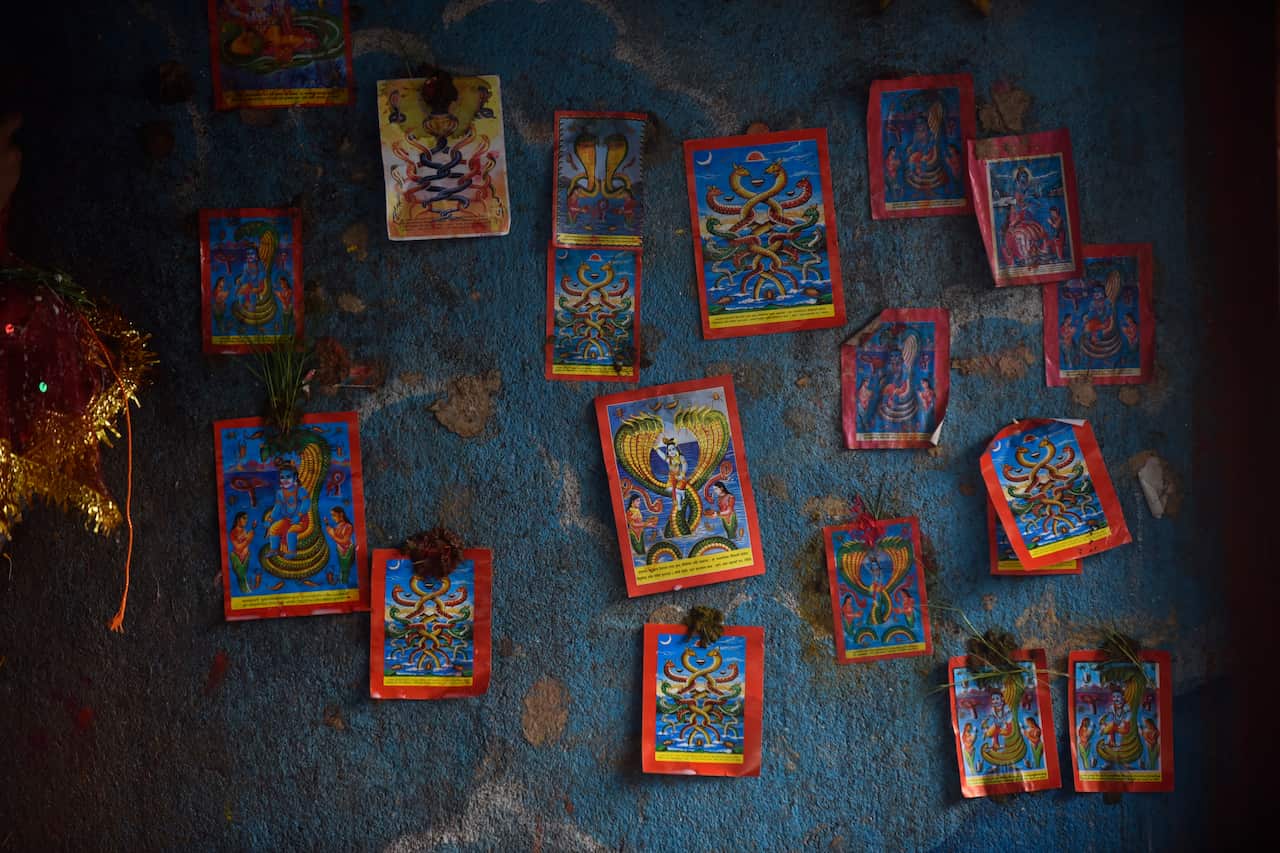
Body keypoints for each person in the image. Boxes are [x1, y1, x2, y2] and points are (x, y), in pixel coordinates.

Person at [264, 461, 310, 557]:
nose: (284, 480)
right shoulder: (280, 493)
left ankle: (292, 552)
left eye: (288, 477)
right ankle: (274, 549)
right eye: (282, 477)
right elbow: (277, 507)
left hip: (301, 521)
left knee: (291, 531)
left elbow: (306, 503)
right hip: (287, 520)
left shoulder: (300, 490)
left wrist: (299, 516)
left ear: (295, 478)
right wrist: (271, 519)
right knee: (273, 529)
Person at [325, 506, 355, 584]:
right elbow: (333, 532)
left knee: (345, 572)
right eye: (332, 515)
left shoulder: (348, 526)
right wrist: (327, 525)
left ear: (341, 514)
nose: (333, 518)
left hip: (347, 553)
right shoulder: (338, 526)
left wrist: (332, 535)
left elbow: (344, 541)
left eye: (334, 515)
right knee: (342, 571)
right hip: (340, 552)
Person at [228, 511, 257, 592]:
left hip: (245, 559)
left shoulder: (244, 530)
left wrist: (252, 529)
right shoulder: (233, 532)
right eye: (244, 518)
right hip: (238, 560)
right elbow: (238, 547)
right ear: (238, 519)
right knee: (242, 580)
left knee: (244, 581)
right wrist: (248, 540)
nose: (246, 520)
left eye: (247, 518)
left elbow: (247, 539)